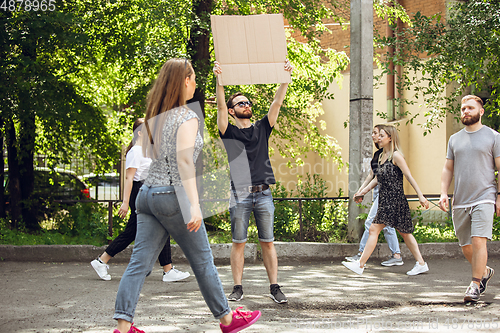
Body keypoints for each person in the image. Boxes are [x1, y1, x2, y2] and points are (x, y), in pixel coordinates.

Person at [112, 58, 261, 333]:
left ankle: (123, 327)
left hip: (146, 196)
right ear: (184, 81)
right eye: (192, 78)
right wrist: (193, 205)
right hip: (172, 196)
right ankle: (227, 320)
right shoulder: (187, 116)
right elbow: (184, 162)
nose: (194, 83)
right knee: (203, 261)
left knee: (138, 264)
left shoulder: (156, 116)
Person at [213, 60, 293, 304]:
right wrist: (220, 80)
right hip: (240, 195)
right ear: (231, 110)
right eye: (240, 103)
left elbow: (277, 103)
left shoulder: (261, 128)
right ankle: (237, 287)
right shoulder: (229, 131)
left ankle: (274, 287)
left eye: (248, 102)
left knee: (268, 243)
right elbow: (218, 105)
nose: (246, 105)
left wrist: (284, 79)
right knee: (239, 243)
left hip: (264, 194)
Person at [90, 118, 190, 283]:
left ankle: (104, 261)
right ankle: (103, 261)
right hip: (139, 193)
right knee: (140, 230)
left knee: (149, 230)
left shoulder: (145, 150)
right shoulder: (135, 152)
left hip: (148, 192)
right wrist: (125, 202)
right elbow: (130, 179)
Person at [342, 125, 430, 276]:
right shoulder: (382, 156)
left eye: (382, 135)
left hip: (395, 200)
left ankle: (360, 264)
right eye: (379, 135)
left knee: (375, 229)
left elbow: (408, 176)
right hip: (385, 199)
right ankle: (421, 263)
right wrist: (362, 192)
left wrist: (420, 195)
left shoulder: (396, 156)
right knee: (404, 233)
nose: (379, 138)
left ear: (390, 138)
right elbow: (376, 179)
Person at [438, 95, 498, 303]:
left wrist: (499, 197)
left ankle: (474, 285)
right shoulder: (454, 139)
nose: (466, 111)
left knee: (479, 240)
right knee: (466, 246)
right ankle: (484, 271)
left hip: (485, 196)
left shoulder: (493, 136)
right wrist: (444, 192)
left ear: (481, 112)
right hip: (461, 200)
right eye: (463, 108)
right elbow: (448, 168)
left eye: (470, 108)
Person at [345, 125, 403, 266]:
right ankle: (396, 255)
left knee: (371, 222)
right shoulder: (378, 155)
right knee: (387, 225)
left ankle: (361, 255)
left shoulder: (392, 155)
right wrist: (360, 191)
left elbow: (397, 176)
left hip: (387, 193)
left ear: (387, 136)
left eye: (377, 133)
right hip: (378, 192)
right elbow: (372, 175)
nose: (373, 136)